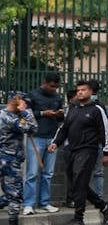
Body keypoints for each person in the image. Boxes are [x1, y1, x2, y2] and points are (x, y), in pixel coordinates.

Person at [47, 80, 108, 225]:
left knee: (79, 181)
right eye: (78, 90)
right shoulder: (73, 108)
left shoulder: (97, 109)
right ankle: (103, 206)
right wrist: (55, 143)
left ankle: (79, 218)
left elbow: (105, 131)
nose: (80, 92)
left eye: (83, 90)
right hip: (72, 149)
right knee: (78, 183)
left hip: (88, 150)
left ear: (91, 92)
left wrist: (106, 152)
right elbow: (64, 128)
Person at [21, 72, 64, 215]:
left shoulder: (58, 97)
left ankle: (44, 203)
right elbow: (24, 112)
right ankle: (28, 204)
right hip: (36, 138)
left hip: (52, 138)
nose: (54, 89)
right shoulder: (32, 95)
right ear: (44, 83)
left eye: (56, 87)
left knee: (48, 173)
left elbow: (61, 118)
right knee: (32, 172)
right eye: (52, 86)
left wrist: (59, 114)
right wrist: (42, 113)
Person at [2, 93, 36, 225]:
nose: (26, 105)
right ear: (16, 102)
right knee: (15, 194)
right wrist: (25, 111)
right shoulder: (11, 119)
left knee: (9, 194)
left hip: (4, 160)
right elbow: (32, 128)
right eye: (24, 103)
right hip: (9, 160)